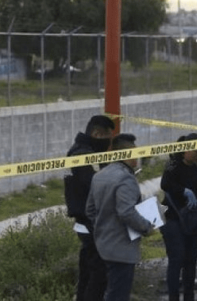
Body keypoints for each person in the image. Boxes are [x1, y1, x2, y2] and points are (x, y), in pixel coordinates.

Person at [86, 133, 154, 301]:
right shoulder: (126, 178)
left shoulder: (99, 175)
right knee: (118, 294)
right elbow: (126, 212)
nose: (137, 157)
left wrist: (102, 227)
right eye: (135, 153)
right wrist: (146, 227)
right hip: (122, 248)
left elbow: (90, 210)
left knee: (107, 291)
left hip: (102, 245)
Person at [65, 115, 115, 301]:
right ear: (97, 134)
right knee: (98, 274)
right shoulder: (82, 154)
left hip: (90, 220)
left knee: (88, 272)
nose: (109, 142)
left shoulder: (88, 151)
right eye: (107, 137)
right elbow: (94, 184)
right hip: (89, 222)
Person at [160, 133, 197, 301]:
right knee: (177, 259)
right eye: (196, 151)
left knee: (191, 261)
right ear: (186, 149)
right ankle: (173, 297)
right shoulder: (173, 164)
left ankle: (189, 296)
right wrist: (183, 191)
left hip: (192, 219)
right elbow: (165, 184)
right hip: (173, 218)